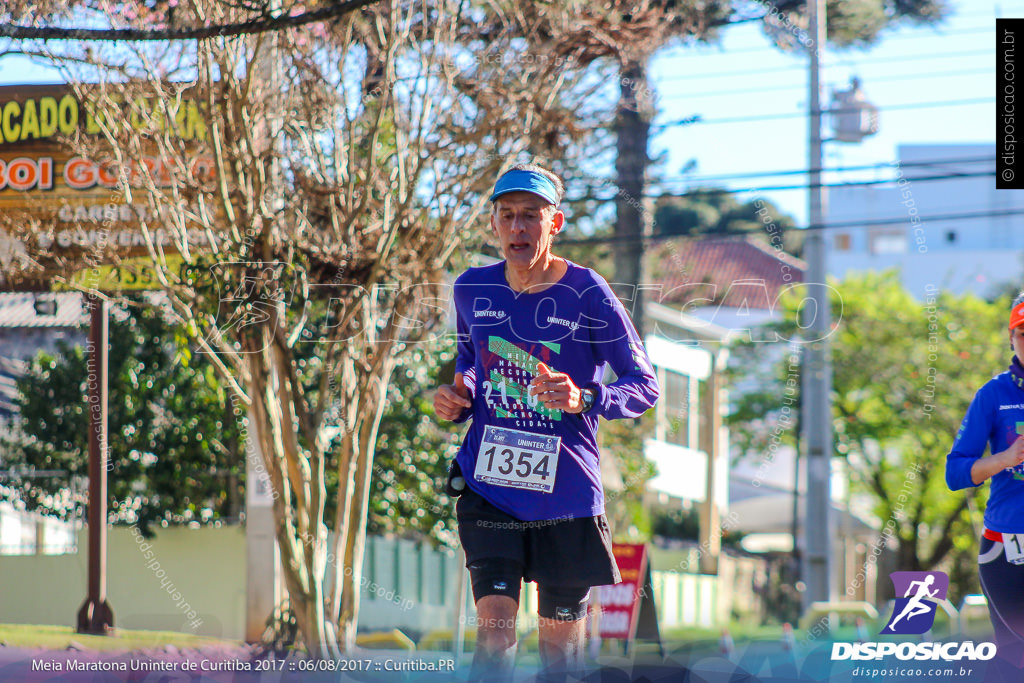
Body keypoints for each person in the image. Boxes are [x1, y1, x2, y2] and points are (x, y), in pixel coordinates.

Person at [434, 163, 660, 682]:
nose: (518, 227)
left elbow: (643, 385)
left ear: (554, 223)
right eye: (507, 215)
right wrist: (461, 391)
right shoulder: (472, 289)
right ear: (493, 223)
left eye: (531, 216)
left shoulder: (587, 293)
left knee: (560, 654)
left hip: (566, 496)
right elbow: (471, 360)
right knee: (494, 631)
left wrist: (585, 397)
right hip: (491, 486)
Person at [946, 291, 1024, 678]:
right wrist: (1005, 460)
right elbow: (955, 473)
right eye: (1023, 332)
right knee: (1015, 659)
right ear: (1011, 338)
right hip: (1007, 550)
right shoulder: (994, 395)